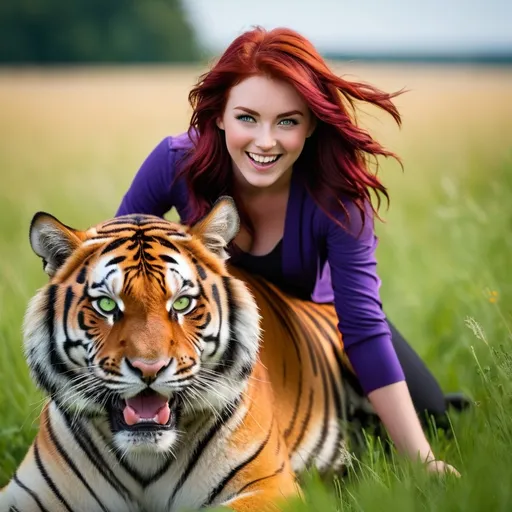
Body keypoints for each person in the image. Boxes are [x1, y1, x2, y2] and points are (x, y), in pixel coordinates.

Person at [116, 26, 463, 474]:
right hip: (219, 330)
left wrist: (424, 460)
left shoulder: (339, 199)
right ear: (219, 115)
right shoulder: (175, 160)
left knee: (434, 418)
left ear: (312, 124)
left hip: (319, 324)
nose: (265, 141)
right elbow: (116, 258)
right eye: (247, 118)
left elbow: (362, 327)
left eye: (287, 121)